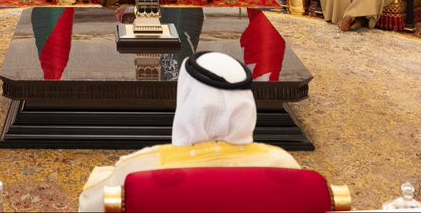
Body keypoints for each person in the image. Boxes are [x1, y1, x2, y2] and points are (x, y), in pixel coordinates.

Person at [78, 52, 301, 211]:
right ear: (246, 104)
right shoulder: (283, 164)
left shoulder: (139, 169)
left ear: (188, 99)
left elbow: (89, 205)